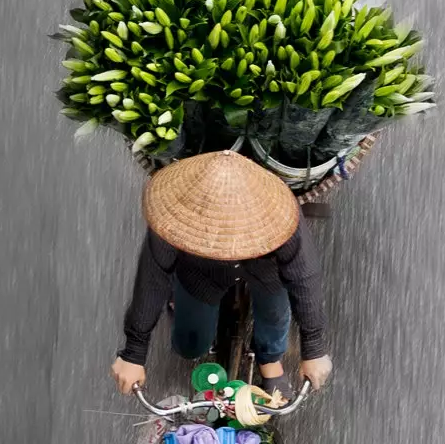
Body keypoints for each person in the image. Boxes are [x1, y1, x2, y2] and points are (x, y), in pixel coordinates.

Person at [111, 150, 332, 398]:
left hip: (266, 273)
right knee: (189, 347)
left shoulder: (280, 211)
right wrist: (134, 352)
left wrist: (313, 347)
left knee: (275, 317)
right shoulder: (174, 213)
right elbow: (152, 277)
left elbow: (304, 276)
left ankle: (269, 360)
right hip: (199, 273)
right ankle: (178, 297)